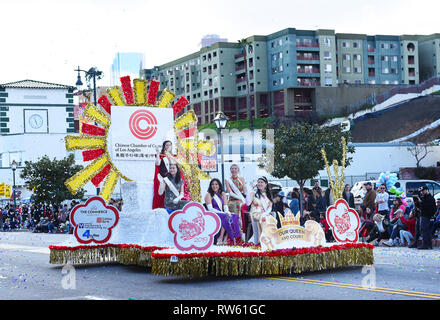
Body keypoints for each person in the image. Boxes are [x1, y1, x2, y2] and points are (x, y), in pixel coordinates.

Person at [205, 178, 241, 244]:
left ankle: (226, 237)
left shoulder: (223, 194)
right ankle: (220, 237)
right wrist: (224, 213)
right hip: (213, 213)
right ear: (210, 186)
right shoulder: (209, 194)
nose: (214, 186)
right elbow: (210, 208)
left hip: (222, 213)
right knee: (226, 216)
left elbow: (225, 206)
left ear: (219, 185)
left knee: (234, 216)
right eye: (212, 184)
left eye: (216, 184)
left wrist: (227, 212)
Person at [248, 176, 274, 244]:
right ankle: (263, 239)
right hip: (255, 213)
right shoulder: (254, 193)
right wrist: (250, 191)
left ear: (266, 184)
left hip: (265, 213)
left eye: (261, 182)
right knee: (264, 218)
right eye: (258, 182)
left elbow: (270, 208)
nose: (259, 184)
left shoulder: (268, 194)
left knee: (271, 219)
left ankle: (270, 238)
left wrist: (265, 213)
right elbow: (248, 203)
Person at [224, 164, 247, 235]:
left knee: (242, 205)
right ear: (230, 170)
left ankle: (243, 228)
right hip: (232, 199)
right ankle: (236, 228)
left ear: (238, 170)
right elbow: (230, 193)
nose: (234, 170)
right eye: (232, 168)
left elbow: (245, 191)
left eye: (235, 168)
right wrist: (241, 198)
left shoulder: (242, 179)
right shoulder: (227, 180)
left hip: (241, 200)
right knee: (233, 205)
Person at [414, 185, 436, 250]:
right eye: (421, 191)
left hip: (426, 215)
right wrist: (417, 202)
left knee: (424, 230)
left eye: (423, 191)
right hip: (422, 215)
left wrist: (421, 202)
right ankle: (428, 245)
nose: (422, 192)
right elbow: (420, 206)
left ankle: (425, 245)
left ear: (427, 190)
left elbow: (429, 207)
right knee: (423, 230)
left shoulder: (430, 198)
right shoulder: (424, 197)